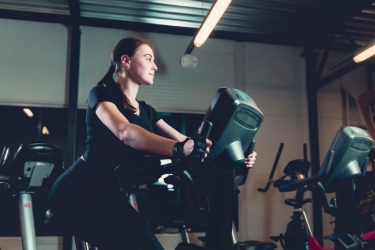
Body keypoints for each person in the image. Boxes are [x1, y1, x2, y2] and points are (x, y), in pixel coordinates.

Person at [48, 37, 257, 250]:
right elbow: (125, 131)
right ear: (126, 61)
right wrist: (178, 150)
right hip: (76, 190)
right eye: (148, 59)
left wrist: (235, 153)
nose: (155, 66)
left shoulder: (147, 111)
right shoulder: (102, 94)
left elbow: (187, 141)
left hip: (108, 192)